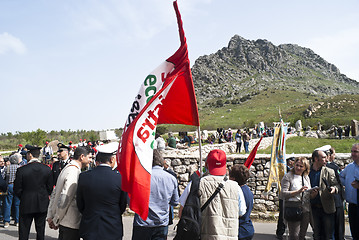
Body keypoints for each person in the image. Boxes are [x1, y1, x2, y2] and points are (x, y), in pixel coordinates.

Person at [178, 149, 246, 239]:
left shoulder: (195, 184)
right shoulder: (236, 187)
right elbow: (241, 211)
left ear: (206, 165)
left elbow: (181, 213)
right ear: (225, 165)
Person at [77, 142, 127, 240]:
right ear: (112, 159)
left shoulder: (84, 177)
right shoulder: (119, 178)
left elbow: (80, 204)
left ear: (96, 161)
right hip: (112, 228)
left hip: (90, 227)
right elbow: (122, 205)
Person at [132, 149, 179, 240]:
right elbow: (175, 202)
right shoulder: (171, 178)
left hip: (142, 223)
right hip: (161, 223)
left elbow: (131, 201)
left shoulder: (139, 178)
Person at [47, 146, 91, 240]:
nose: (90, 160)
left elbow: (55, 194)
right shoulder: (73, 171)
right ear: (82, 156)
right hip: (70, 222)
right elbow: (65, 198)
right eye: (89, 157)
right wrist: (56, 219)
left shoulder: (67, 168)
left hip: (64, 221)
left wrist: (51, 215)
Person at [14, 144, 53, 240]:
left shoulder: (22, 170)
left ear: (30, 155)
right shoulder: (47, 169)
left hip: (26, 202)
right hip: (42, 203)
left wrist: (24, 196)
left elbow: (17, 189)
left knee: (24, 231)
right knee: (40, 231)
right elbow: (50, 188)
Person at [309, 149, 339, 240]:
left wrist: (334, 189)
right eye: (323, 158)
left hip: (326, 208)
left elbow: (337, 185)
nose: (326, 160)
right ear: (316, 159)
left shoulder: (329, 171)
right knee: (317, 235)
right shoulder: (307, 172)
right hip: (313, 208)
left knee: (329, 236)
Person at [281, 157, 312, 240]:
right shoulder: (288, 177)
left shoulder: (306, 177)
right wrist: (298, 191)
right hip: (293, 207)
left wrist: (313, 193)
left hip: (305, 208)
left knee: (302, 235)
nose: (298, 168)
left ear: (305, 168)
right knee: (294, 235)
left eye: (301, 166)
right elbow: (283, 193)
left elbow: (308, 193)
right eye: (297, 165)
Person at [340, 143, 359, 240]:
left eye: (355, 151)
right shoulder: (349, 167)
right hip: (352, 206)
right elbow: (341, 176)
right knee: (354, 233)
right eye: (352, 151)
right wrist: (347, 184)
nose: (353, 154)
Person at [229, 164, 254, 240]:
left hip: (240, 230)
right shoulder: (247, 190)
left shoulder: (238, 192)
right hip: (247, 228)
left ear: (233, 178)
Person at [325, 146, 345, 240]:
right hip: (336, 200)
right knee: (338, 227)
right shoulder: (333, 167)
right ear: (329, 155)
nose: (335, 156)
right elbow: (339, 183)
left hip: (328, 200)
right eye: (333, 154)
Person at [3, 153, 21, 228]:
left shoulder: (7, 168)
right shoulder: (20, 167)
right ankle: (17, 221)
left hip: (9, 185)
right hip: (17, 186)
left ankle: (6, 221)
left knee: (7, 204)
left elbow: (3, 177)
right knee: (17, 204)